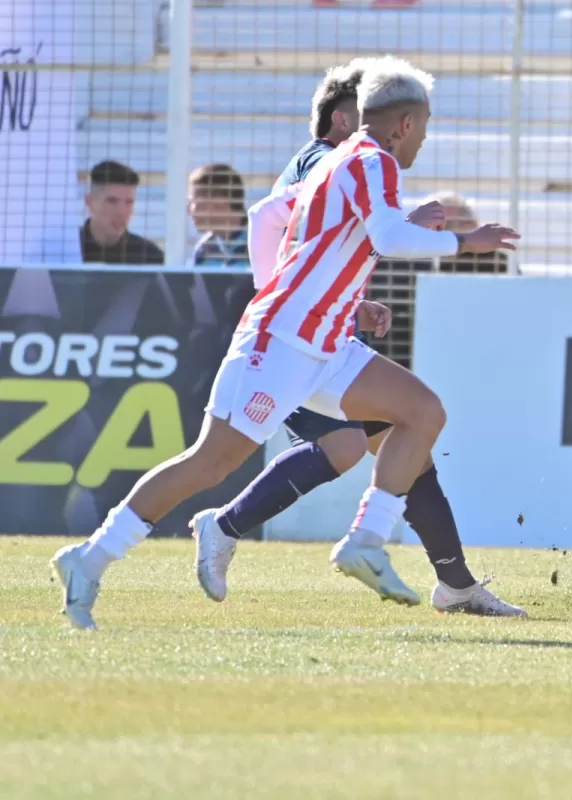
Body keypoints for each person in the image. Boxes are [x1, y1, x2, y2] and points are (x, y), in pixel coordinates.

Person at [50, 56, 520, 630]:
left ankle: (366, 541)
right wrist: (467, 241)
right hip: (282, 342)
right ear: (404, 122)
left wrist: (314, 294)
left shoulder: (342, 160)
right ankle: (90, 558)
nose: (423, 138)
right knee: (208, 463)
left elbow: (265, 216)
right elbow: (389, 236)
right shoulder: (374, 161)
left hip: (323, 341)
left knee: (422, 412)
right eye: (423, 126)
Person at [191, 59, 524, 618]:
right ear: (347, 117)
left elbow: (319, 245)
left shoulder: (333, 164)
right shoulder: (335, 162)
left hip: (318, 332)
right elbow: (288, 227)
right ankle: (223, 526)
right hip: (295, 340)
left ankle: (457, 585)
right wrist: (291, 297)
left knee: (408, 437)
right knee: (363, 441)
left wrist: (342, 303)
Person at [80, 161, 165, 265]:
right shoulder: (68, 250)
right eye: (112, 201)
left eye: (129, 202)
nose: (121, 211)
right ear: (90, 203)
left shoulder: (150, 257)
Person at [189, 164, 250, 267]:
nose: (189, 210)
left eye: (195, 202)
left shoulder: (262, 243)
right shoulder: (203, 250)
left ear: (220, 202)